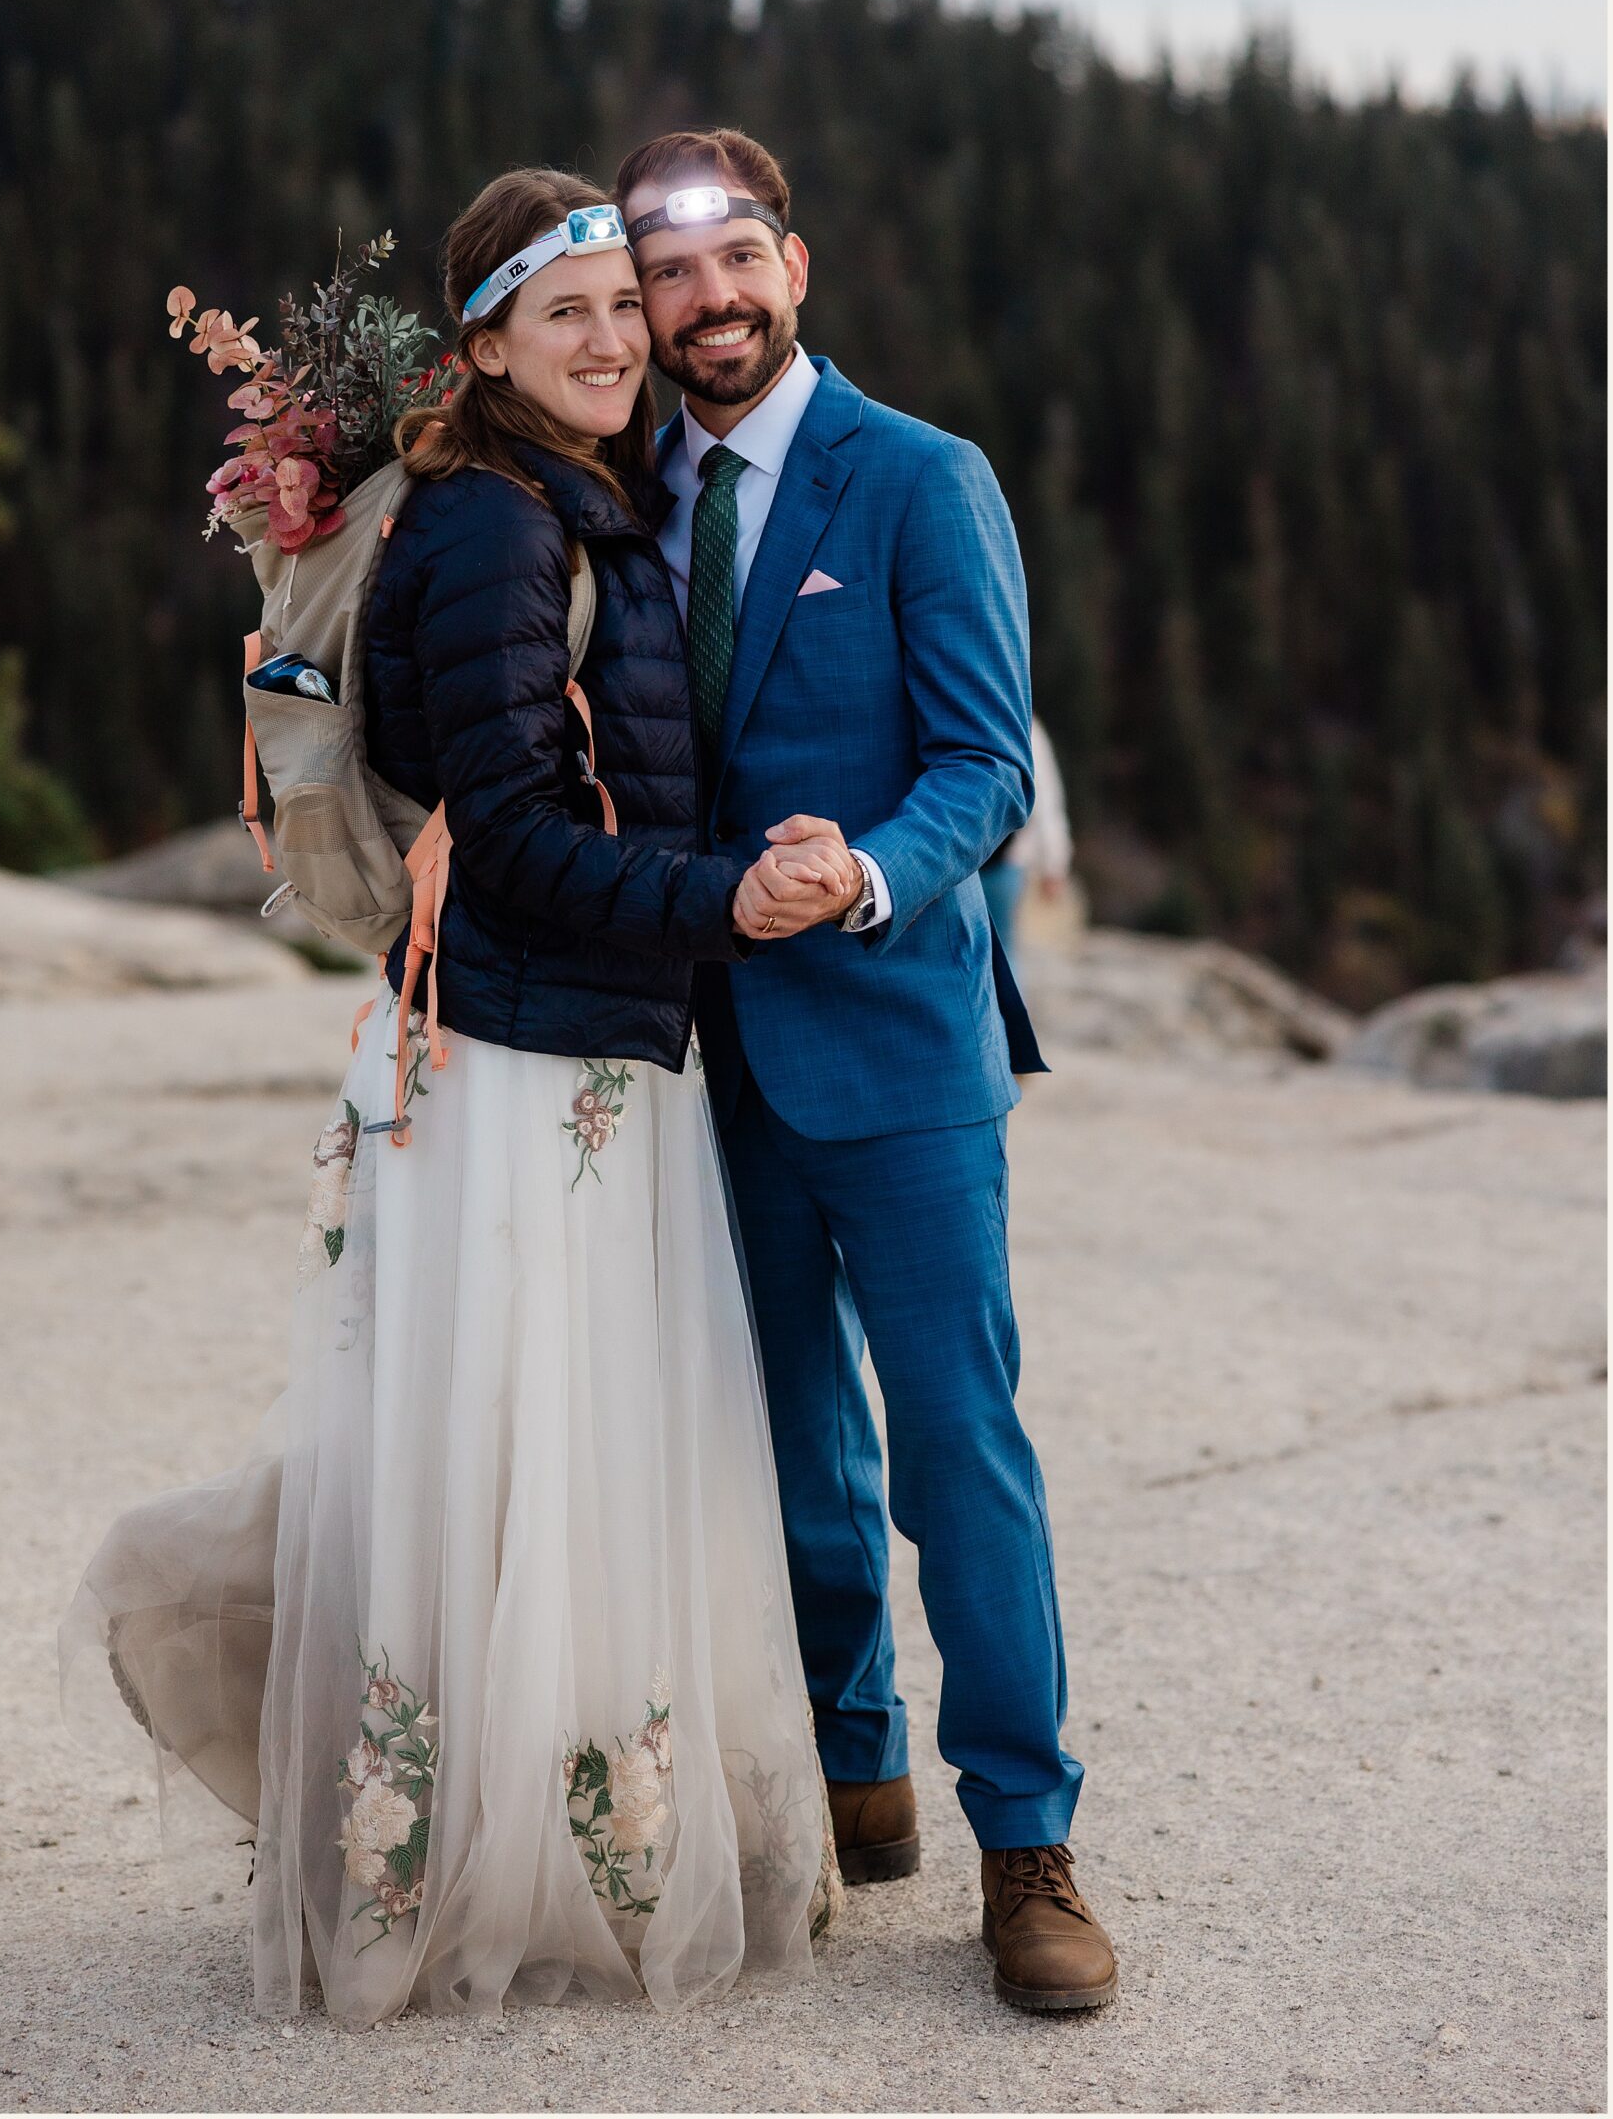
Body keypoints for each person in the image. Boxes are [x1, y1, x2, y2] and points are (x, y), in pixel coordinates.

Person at [61, 169, 848, 2028]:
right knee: (522, 1457)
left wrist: (709, 881)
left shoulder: (581, 497)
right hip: (519, 1056)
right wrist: (718, 901)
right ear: (483, 343)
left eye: (613, 302)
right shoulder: (497, 529)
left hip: (573, 1041)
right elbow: (501, 836)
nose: (603, 336)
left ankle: (547, 1846)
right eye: (554, 309)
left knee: (532, 1457)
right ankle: (468, 1876)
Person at [613, 126, 1118, 2014]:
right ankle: (854, 1779)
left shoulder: (916, 478)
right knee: (787, 1455)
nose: (707, 300)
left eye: (734, 260)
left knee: (953, 1458)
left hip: (898, 1041)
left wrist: (874, 873)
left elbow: (989, 761)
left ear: (794, 267)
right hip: (697, 1053)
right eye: (671, 275)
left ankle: (1029, 1846)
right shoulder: (627, 488)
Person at [980, 715, 1073, 961]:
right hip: (1008, 859)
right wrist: (1054, 865)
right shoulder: (1025, 723)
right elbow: (1046, 800)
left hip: (996, 860)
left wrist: (1054, 863)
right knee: (1003, 949)